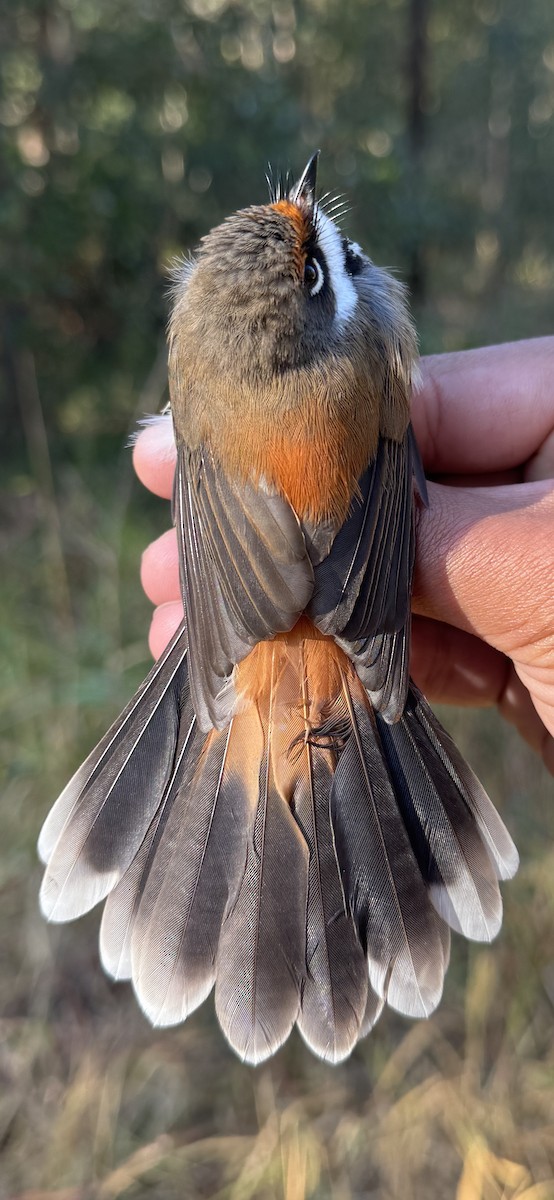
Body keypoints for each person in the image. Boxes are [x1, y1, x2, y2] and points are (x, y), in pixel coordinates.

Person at [133, 337, 554, 775]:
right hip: (341, 624)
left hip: (265, 611)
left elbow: (204, 516)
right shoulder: (371, 354)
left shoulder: (204, 361)